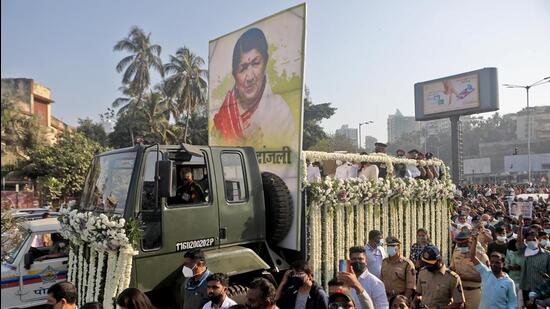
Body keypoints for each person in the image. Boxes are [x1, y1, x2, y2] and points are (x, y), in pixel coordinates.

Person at [211, 27, 295, 148]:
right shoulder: (224, 115)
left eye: (255, 63)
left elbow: (289, 159)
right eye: (243, 68)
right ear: (235, 75)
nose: (249, 77)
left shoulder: (279, 111)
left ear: (265, 63)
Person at [469, 236, 517, 309]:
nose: (494, 264)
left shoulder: (509, 282)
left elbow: (512, 303)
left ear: (503, 264)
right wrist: (475, 241)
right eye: (492, 262)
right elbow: (472, 257)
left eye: (497, 262)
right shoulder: (485, 272)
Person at [450, 231, 488, 309]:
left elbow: (486, 277)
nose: (461, 247)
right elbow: (452, 269)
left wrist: (466, 277)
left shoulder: (481, 256)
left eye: (463, 244)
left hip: (474, 293)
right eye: (459, 245)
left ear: (471, 242)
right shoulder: (456, 253)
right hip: (458, 293)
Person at [516, 218, 550, 305]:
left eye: (534, 240)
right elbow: (519, 241)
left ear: (538, 240)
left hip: (540, 288)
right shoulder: (524, 251)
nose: (531, 242)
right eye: (529, 240)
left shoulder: (546, 254)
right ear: (526, 241)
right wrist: (520, 226)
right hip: (526, 287)